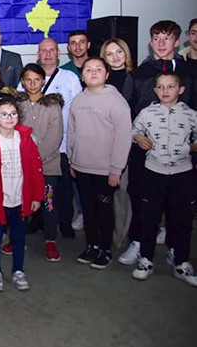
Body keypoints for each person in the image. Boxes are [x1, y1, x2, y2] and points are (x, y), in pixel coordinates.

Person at [119, 20, 193, 266]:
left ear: (176, 41)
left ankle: (175, 247)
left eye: (167, 38)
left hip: (181, 154)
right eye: (156, 38)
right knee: (141, 198)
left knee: (178, 206)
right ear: (150, 42)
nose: (161, 43)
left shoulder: (190, 72)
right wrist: (136, 137)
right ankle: (138, 242)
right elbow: (126, 111)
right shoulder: (138, 74)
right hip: (145, 150)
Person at [130, 73, 197, 286]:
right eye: (160, 87)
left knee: (182, 220)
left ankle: (181, 262)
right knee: (148, 219)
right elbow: (133, 130)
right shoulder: (147, 112)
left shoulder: (191, 114)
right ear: (155, 90)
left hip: (182, 174)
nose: (165, 91)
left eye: (170, 86)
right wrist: (139, 137)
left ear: (181, 89)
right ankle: (146, 259)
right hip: (153, 173)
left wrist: (191, 147)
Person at [68, 58, 132, 270]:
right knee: (88, 209)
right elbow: (72, 132)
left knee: (104, 211)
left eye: (98, 69)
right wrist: (72, 159)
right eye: (88, 69)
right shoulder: (78, 100)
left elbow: (123, 137)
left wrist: (116, 169)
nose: (93, 73)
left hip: (106, 170)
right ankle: (91, 245)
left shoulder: (116, 100)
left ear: (107, 74)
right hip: (81, 166)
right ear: (82, 76)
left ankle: (105, 249)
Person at [0, 97, 44, 291]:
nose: (9, 117)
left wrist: (37, 197)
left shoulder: (26, 139)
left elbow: (36, 170)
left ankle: (18, 271)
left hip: (20, 199)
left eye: (13, 114)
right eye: (4, 114)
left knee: (19, 237)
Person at [27, 38, 83, 239]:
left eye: (52, 50)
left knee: (63, 189)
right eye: (43, 50)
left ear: (59, 53)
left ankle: (65, 223)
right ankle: (37, 222)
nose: (48, 54)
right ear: (38, 54)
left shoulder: (69, 77)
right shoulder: (29, 76)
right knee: (35, 186)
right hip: (33, 147)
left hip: (62, 145)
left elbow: (78, 109)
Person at [16, 64, 64, 262]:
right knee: (20, 202)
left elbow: (55, 136)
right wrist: (25, 160)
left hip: (48, 165)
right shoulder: (17, 105)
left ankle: (50, 240)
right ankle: (17, 238)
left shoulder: (53, 105)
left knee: (49, 204)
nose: (33, 83)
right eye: (28, 79)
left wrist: (35, 159)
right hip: (21, 166)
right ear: (22, 82)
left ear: (43, 81)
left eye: (37, 79)